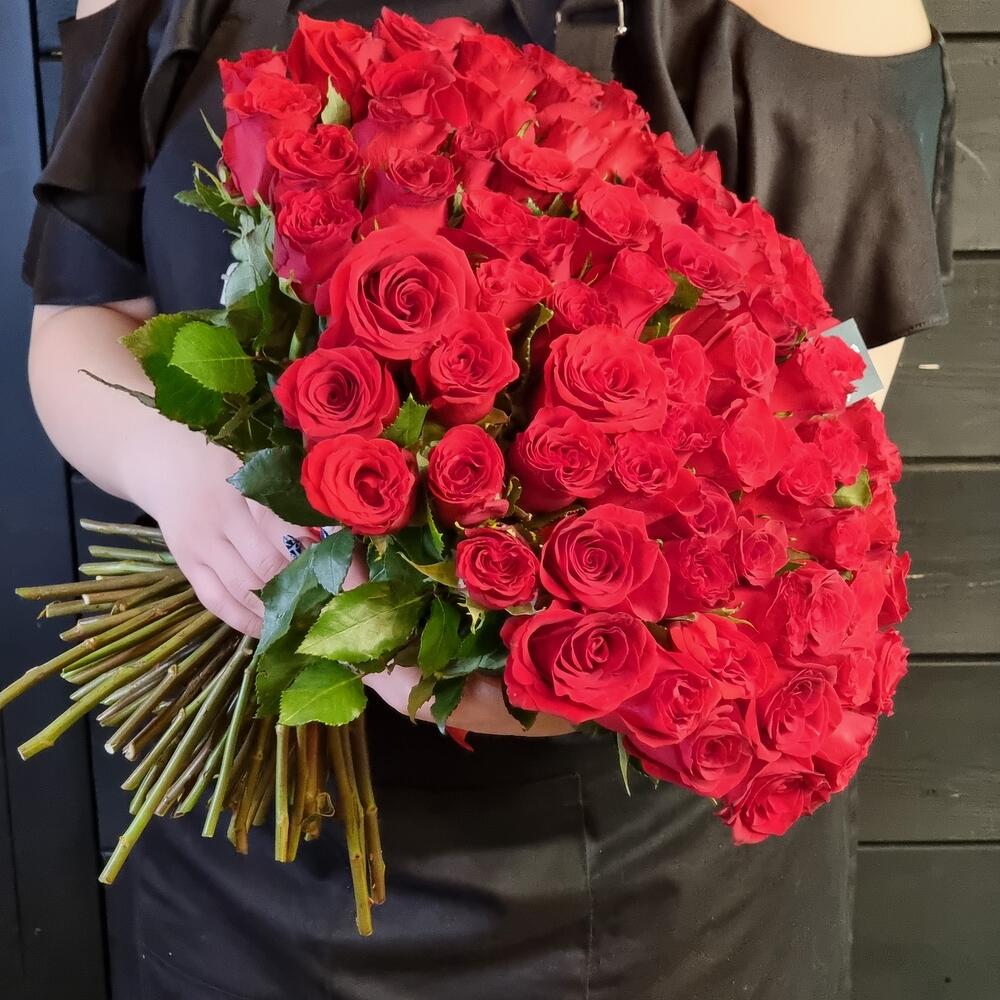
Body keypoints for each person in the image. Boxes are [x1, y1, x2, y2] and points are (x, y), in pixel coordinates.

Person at [23, 1, 953, 997]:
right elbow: (82, 314)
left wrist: (528, 665)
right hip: (241, 861)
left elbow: (805, 472)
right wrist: (179, 467)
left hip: (625, 899)